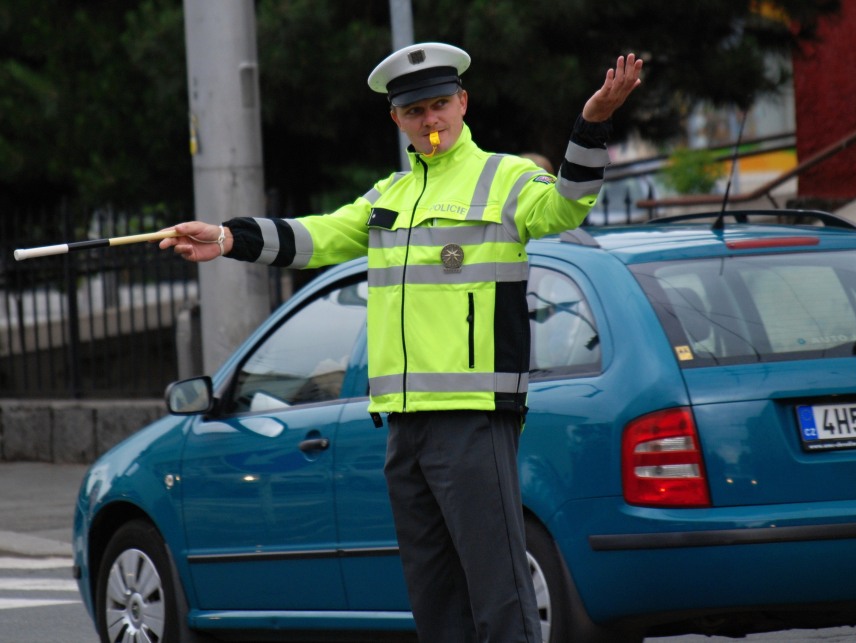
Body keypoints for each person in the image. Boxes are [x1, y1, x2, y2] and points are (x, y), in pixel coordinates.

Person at [161, 42, 643, 643]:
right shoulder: (388, 195)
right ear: (397, 119)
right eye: (416, 111)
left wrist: (592, 123)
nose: (431, 120)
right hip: (404, 425)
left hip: (473, 419)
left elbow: (569, 206)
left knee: (499, 593)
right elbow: (318, 236)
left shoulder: (505, 177)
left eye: (441, 104)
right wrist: (229, 239)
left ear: (463, 103)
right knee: (434, 599)